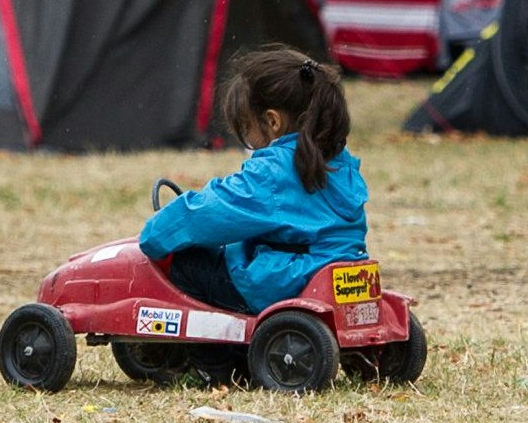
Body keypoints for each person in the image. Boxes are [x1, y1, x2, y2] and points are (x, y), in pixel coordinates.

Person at [138, 46, 367, 314]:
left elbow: (214, 211)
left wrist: (157, 233)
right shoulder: (339, 161)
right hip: (338, 271)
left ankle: (209, 351)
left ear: (272, 122)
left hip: (285, 281)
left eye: (247, 129)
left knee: (184, 265)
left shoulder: (272, 173)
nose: (250, 141)